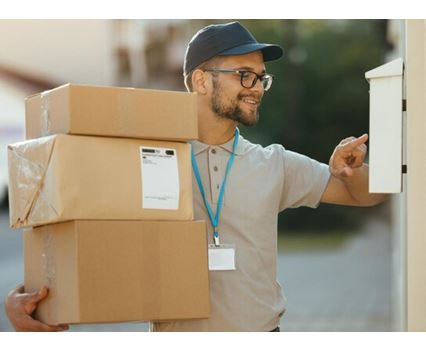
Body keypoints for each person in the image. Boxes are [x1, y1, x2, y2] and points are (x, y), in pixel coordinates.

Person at [4, 21, 388, 332]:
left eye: (261, 77)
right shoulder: (144, 158)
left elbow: (369, 195)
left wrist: (349, 173)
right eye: (244, 75)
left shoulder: (275, 163)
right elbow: (68, 227)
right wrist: (24, 299)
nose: (257, 89)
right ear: (202, 81)